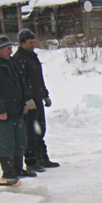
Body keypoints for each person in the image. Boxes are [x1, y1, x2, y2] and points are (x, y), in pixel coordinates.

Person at [0, 35, 36, 179]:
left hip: (17, 108)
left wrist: (23, 103)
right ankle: (8, 170)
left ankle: (18, 168)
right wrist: (0, 110)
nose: (11, 51)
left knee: (20, 140)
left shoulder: (10, 62)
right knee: (7, 141)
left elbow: (19, 84)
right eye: (8, 49)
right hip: (3, 112)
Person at [12, 28, 59, 173]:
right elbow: (20, 82)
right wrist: (27, 99)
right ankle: (31, 161)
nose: (33, 45)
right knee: (31, 132)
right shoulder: (19, 59)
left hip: (38, 98)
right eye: (30, 42)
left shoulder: (32, 56)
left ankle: (42, 158)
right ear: (22, 43)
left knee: (40, 129)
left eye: (34, 42)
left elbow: (38, 79)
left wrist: (45, 94)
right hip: (29, 102)